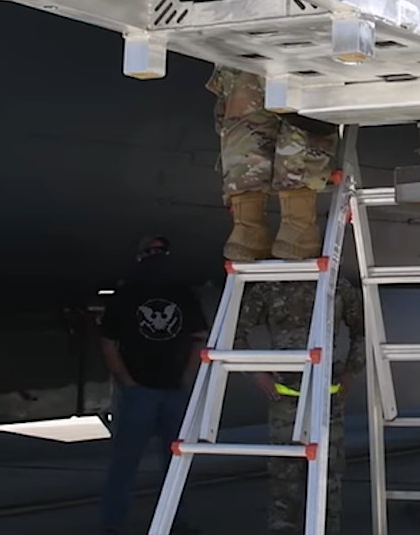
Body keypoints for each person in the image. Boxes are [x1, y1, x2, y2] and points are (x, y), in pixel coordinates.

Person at [235, 273, 366, 535]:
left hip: (326, 396)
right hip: (285, 399)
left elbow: (361, 330)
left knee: (328, 477)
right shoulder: (269, 287)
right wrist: (256, 373)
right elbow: (234, 332)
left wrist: (352, 370)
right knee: (285, 480)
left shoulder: (337, 285)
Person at [97, 235, 207, 535]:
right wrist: (130, 383)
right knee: (131, 464)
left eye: (161, 251)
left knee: (172, 463)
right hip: (144, 391)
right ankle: (114, 524)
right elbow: (109, 343)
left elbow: (199, 339)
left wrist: (182, 379)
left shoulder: (177, 295)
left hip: (162, 390)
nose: (157, 257)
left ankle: (172, 521)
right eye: (153, 251)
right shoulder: (133, 296)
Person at [210, 65, 339, 261]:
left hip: (242, 47)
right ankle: (296, 230)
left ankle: (246, 232)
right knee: (303, 106)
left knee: (246, 119)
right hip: (298, 43)